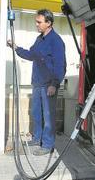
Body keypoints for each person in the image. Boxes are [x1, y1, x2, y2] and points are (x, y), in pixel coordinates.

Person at [7, 9, 66, 156]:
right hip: (38, 83)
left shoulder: (56, 41)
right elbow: (31, 55)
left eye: (39, 22)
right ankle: (37, 138)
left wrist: (54, 84)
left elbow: (61, 65)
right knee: (36, 113)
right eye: (36, 21)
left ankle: (47, 145)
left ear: (49, 23)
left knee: (48, 117)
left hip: (48, 85)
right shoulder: (39, 39)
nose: (36, 24)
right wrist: (16, 48)